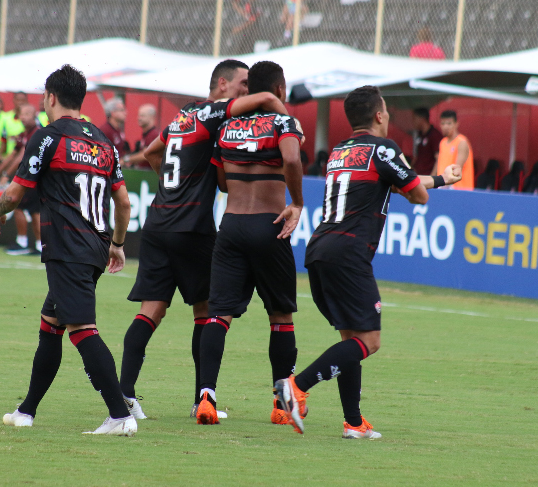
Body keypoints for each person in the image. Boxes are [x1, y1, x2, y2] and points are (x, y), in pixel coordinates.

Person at [274, 85, 461, 438]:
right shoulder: (384, 149)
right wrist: (426, 185)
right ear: (379, 115)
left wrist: (439, 179)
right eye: (387, 110)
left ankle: (354, 423)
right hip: (349, 252)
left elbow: (390, 180)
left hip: (320, 249)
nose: (389, 116)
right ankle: (296, 386)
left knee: (351, 337)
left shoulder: (340, 151)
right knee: (369, 341)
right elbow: (415, 196)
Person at [119, 59, 291, 421]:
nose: (248, 91)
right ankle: (202, 399)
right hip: (191, 226)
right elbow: (269, 104)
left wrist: (172, 185)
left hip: (157, 221)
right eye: (243, 84)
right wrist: (277, 104)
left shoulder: (183, 117)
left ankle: (125, 395)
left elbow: (153, 153)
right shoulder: (215, 112)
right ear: (224, 84)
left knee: (150, 310)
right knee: (208, 311)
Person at [0, 64, 136, 436]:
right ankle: (27, 410)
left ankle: (120, 415)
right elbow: (124, 204)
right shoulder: (104, 142)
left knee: (83, 330)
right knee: (50, 325)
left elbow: (15, 192)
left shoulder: (48, 137)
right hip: (95, 247)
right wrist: (117, 244)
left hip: (67, 248)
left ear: (50, 97)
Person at [195, 61, 304, 426]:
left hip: (232, 225)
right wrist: (297, 201)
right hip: (269, 225)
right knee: (280, 317)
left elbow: (223, 182)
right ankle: (281, 403)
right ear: (280, 90)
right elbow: (290, 156)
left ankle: (206, 396)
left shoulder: (226, 126)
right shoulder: (282, 122)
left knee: (218, 314)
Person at [0, 103, 42, 256]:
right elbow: (12, 154)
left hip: (35, 178)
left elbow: (21, 156)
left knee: (24, 209)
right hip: (31, 178)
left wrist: (6, 175)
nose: (23, 117)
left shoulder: (36, 133)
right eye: (22, 113)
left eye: (27, 113)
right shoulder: (24, 134)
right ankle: (36, 245)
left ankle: (25, 243)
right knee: (31, 210)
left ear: (35, 116)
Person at [435, 110, 474, 190]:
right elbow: (439, 165)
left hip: (460, 189)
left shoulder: (461, 142)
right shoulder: (443, 142)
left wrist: (445, 186)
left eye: (449, 123)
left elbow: (457, 169)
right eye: (443, 123)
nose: (445, 126)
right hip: (443, 187)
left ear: (456, 124)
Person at [121, 104, 158, 170]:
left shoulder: (153, 135)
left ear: (152, 117)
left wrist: (126, 159)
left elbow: (145, 155)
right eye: (139, 115)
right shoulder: (146, 134)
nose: (139, 118)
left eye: (142, 116)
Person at [412, 107, 441, 176]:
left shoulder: (435, 135)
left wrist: (432, 178)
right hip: (418, 176)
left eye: (414, 119)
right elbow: (417, 156)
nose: (413, 122)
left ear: (422, 119)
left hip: (428, 176)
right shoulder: (419, 134)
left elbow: (439, 159)